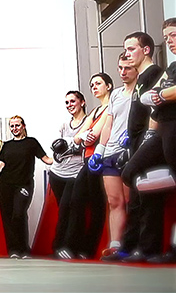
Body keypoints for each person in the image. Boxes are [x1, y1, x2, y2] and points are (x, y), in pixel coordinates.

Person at [119, 19, 176, 263]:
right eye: (167, 37)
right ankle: (142, 247)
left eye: (173, 35)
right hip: (158, 131)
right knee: (133, 176)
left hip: (168, 127)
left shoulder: (155, 72)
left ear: (146, 50)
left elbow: (159, 99)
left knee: (147, 188)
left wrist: (161, 95)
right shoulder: (170, 68)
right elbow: (153, 105)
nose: (170, 41)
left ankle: (153, 247)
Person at [60, 74, 112, 259]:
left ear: (109, 85)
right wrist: (83, 136)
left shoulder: (110, 107)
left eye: (98, 83)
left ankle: (86, 250)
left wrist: (85, 136)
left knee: (97, 206)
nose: (94, 87)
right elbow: (77, 137)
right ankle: (74, 247)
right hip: (88, 160)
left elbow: (94, 133)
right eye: (92, 85)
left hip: (101, 159)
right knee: (78, 201)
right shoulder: (95, 111)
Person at [93, 54, 138, 260]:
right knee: (114, 201)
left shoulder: (141, 91)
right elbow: (109, 124)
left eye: (127, 68)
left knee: (130, 199)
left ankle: (131, 244)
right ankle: (115, 243)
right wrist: (99, 150)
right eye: (120, 68)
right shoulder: (117, 95)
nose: (122, 72)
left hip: (130, 150)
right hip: (111, 152)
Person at [0, 116, 53, 258]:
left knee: (19, 214)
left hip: (24, 184)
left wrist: (62, 157)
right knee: (8, 217)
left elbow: (47, 159)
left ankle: (24, 249)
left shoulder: (31, 143)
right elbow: (2, 164)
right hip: (5, 184)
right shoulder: (6, 145)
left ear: (23, 126)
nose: (14, 128)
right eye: (12, 126)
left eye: (17, 125)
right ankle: (13, 250)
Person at [49, 90, 87, 258]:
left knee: (71, 209)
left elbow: (86, 144)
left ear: (82, 102)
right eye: (67, 102)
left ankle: (65, 246)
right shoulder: (65, 126)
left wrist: (71, 146)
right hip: (57, 174)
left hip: (76, 173)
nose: (70, 105)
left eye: (73, 101)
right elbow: (57, 153)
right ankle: (60, 247)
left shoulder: (88, 122)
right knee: (63, 210)